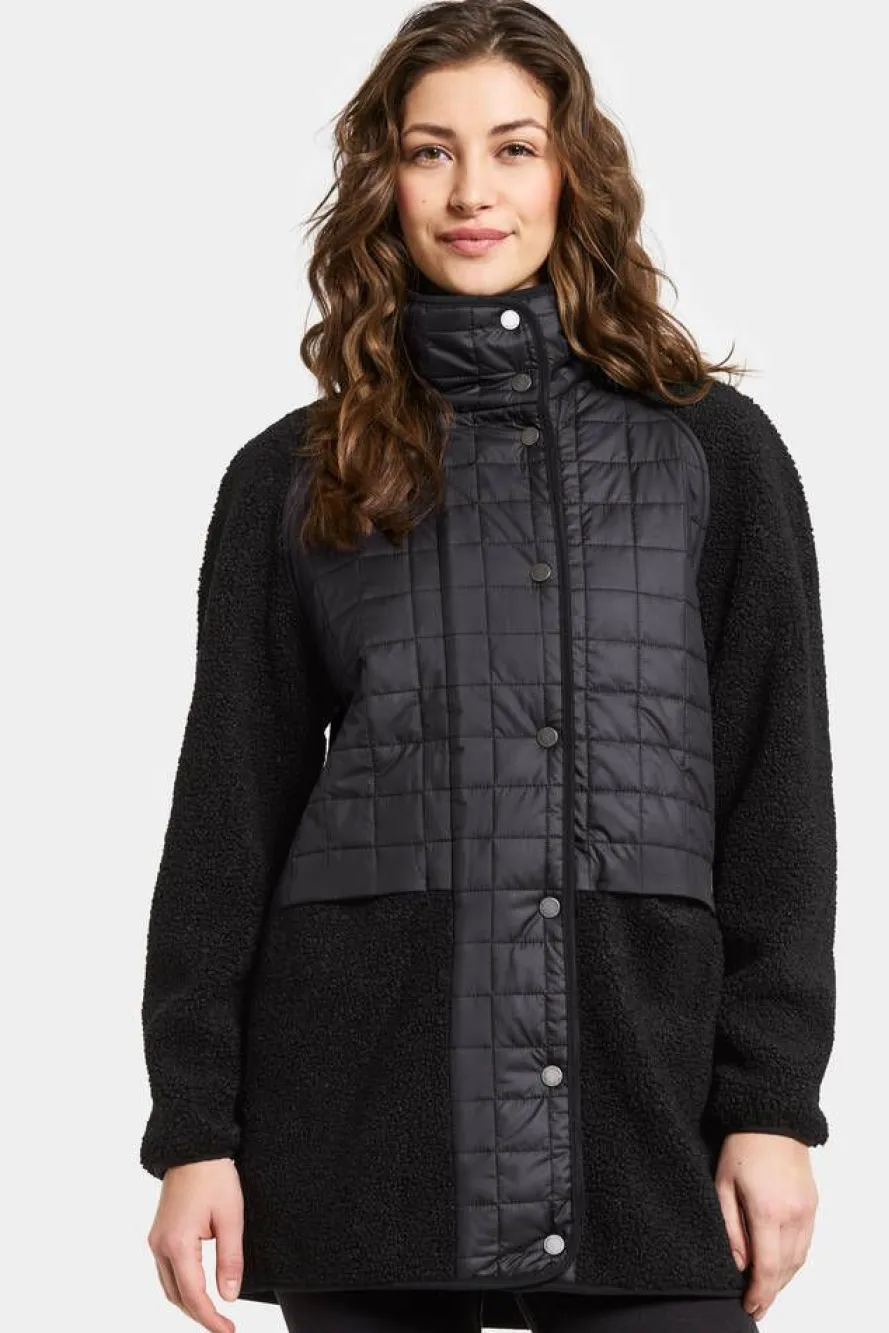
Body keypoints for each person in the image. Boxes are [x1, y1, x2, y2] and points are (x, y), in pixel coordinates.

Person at [139, 3, 837, 1332]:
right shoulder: (294, 475)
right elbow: (228, 815)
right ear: (384, 180)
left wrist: (770, 1106)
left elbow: (778, 798)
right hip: (364, 1123)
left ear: (574, 172)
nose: (472, 192)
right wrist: (193, 1132)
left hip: (648, 1119)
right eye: (430, 150)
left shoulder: (715, 456)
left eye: (514, 148)